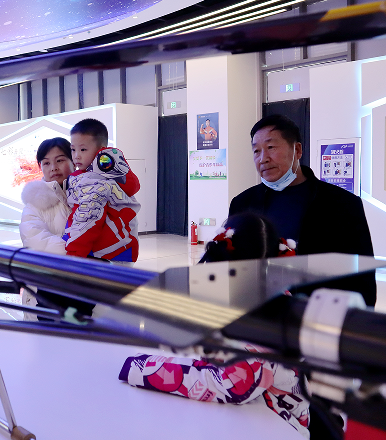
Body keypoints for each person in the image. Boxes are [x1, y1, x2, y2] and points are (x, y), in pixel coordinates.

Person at [120, 213, 311, 439]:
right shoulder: (269, 296)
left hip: (279, 427)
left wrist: (141, 368)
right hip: (250, 417)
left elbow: (228, 383)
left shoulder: (265, 323)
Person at [229, 114, 375, 305]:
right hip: (259, 311)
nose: (263, 158)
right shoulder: (243, 203)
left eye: (271, 147)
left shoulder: (343, 203)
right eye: (256, 151)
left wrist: (358, 317)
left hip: (319, 311)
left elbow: (362, 275)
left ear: (297, 150)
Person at [64, 118, 141, 263]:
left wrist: (74, 255)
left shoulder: (94, 180)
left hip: (102, 255)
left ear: (101, 150)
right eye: (73, 149)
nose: (76, 155)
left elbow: (87, 219)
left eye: (83, 149)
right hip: (120, 249)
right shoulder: (112, 174)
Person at [19, 137, 75, 320]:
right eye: (46, 163)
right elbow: (36, 242)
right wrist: (79, 253)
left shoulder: (88, 196)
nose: (53, 168)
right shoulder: (34, 204)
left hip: (84, 286)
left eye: (60, 160)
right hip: (48, 287)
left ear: (73, 160)